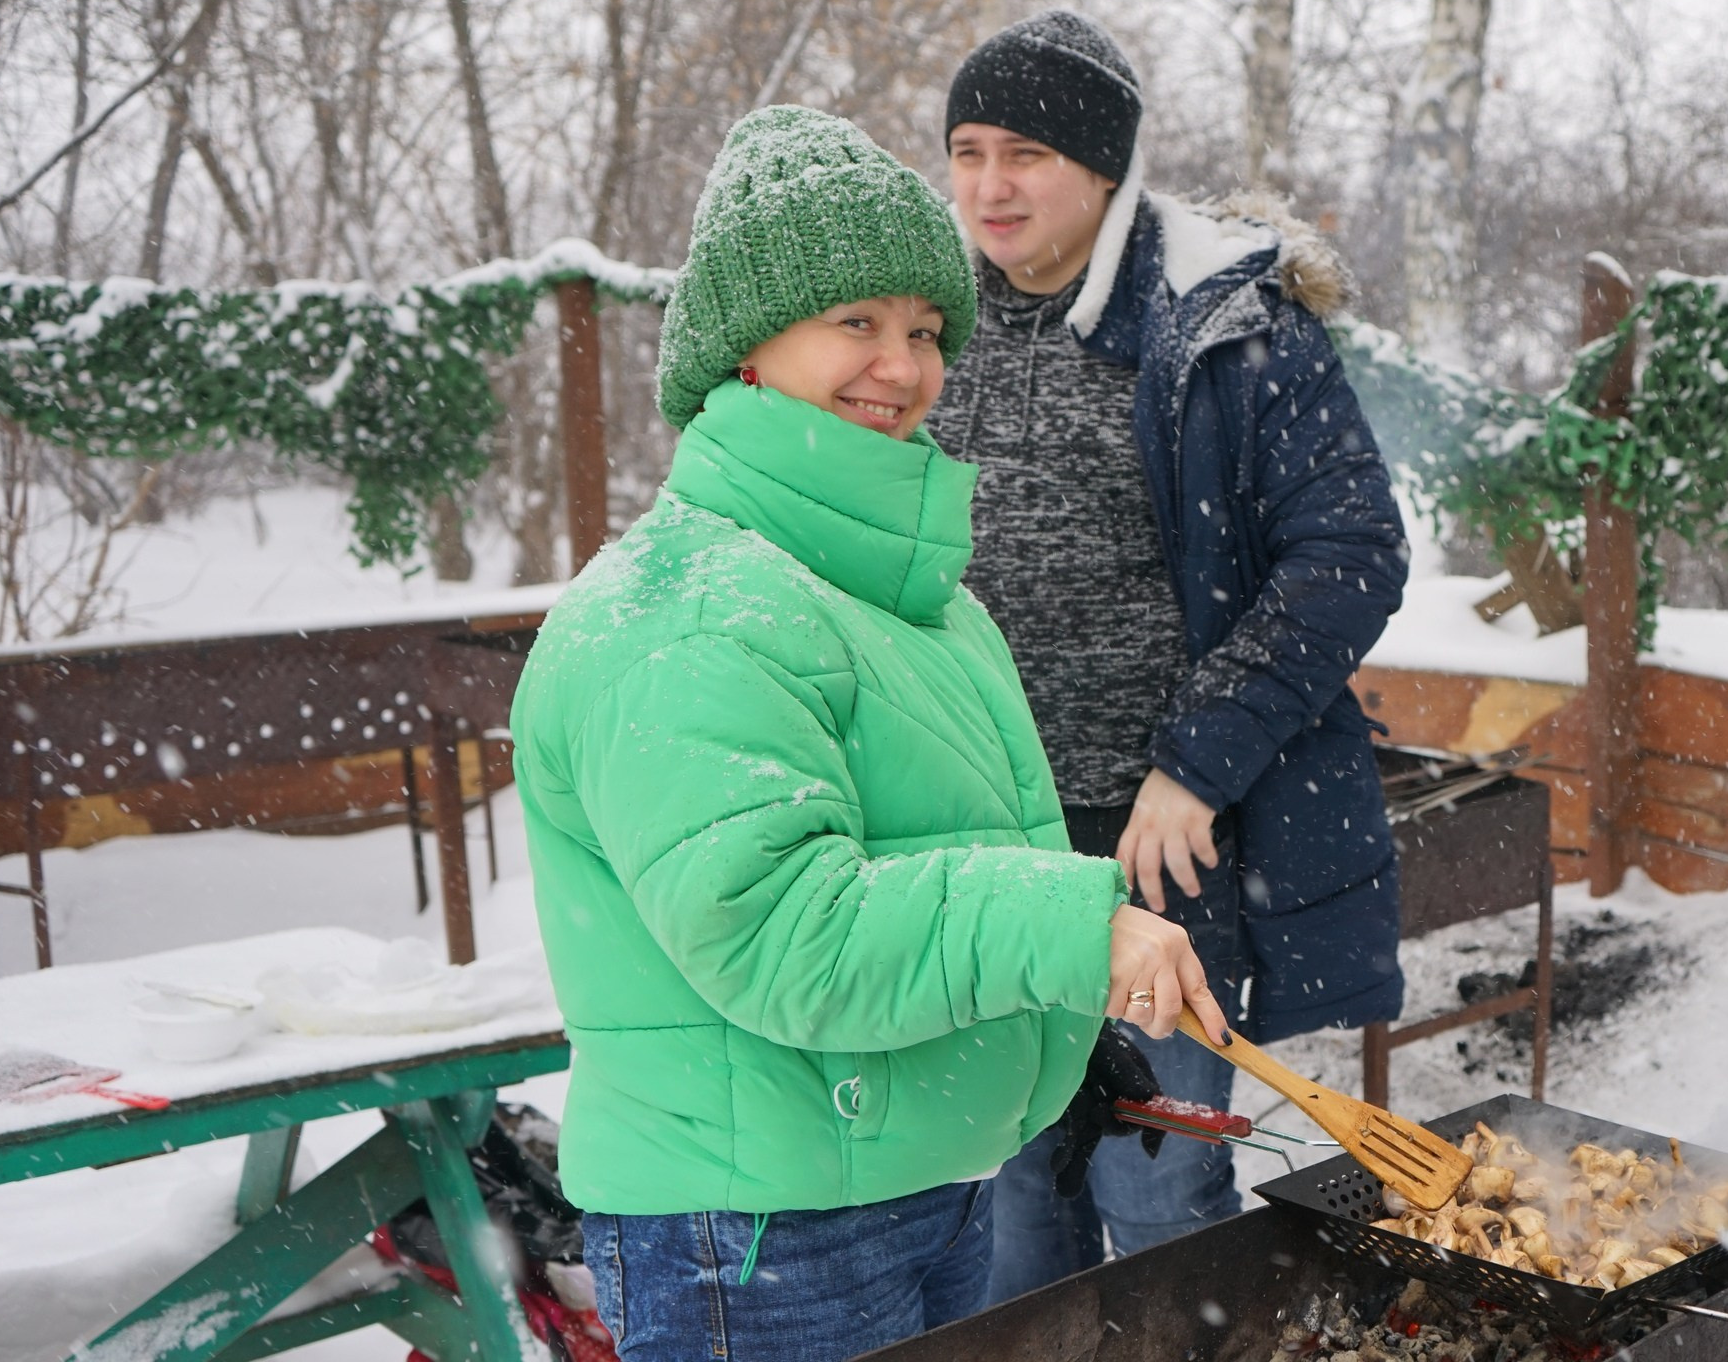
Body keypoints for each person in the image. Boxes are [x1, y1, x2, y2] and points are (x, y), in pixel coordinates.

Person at [510, 105, 1228, 1359]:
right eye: (854, 323)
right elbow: (788, 932)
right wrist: (1073, 927)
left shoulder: (899, 596)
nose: (901, 367)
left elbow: (930, 860)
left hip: (901, 1188)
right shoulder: (689, 611)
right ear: (744, 349)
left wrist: (1052, 1035)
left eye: (923, 329)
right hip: (759, 1233)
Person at [924, 11, 1410, 1301]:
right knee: (1011, 1191)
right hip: (983, 840)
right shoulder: (923, 328)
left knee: (1157, 1188)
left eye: (1022, 152)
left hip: (1159, 846)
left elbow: (1350, 552)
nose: (987, 185)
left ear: (1102, 165)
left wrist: (1196, 764)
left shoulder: (1228, 324)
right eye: (966, 150)